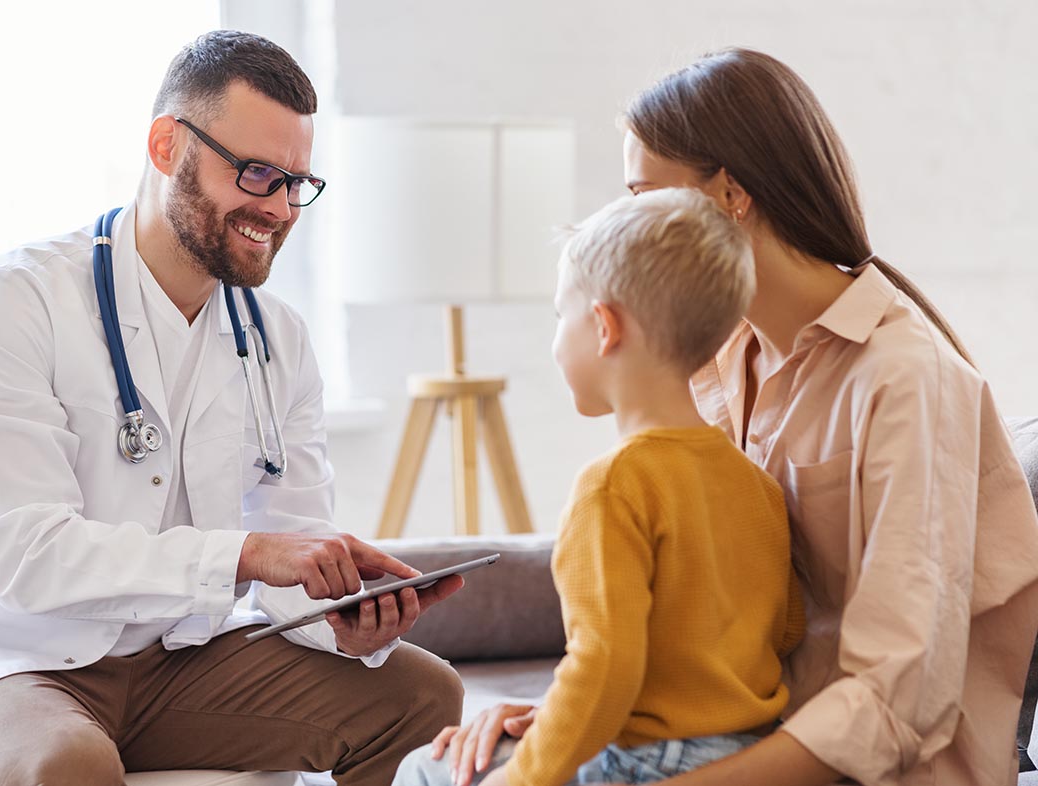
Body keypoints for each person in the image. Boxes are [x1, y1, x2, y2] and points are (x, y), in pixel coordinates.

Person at [0, 30, 464, 786]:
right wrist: (246, 554)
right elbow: (28, 558)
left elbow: (289, 554)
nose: (278, 207)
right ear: (167, 146)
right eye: (256, 173)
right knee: (65, 762)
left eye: (296, 182)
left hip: (172, 664)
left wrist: (346, 621)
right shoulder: (14, 302)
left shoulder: (278, 339)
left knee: (420, 693)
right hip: (2, 661)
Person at [410, 47, 1038, 786]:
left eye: (641, 194)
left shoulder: (908, 380)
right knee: (441, 764)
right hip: (731, 741)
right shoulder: (714, 361)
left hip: (869, 772)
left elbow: (894, 707)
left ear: (730, 194)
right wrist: (563, 723)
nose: (623, 221)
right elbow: (704, 621)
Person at [395, 189, 806, 786]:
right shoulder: (756, 484)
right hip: (749, 752)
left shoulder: (612, 486)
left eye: (561, 317)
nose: (556, 340)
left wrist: (523, 777)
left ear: (604, 327)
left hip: (647, 761)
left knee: (424, 770)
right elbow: (786, 629)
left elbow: (604, 665)